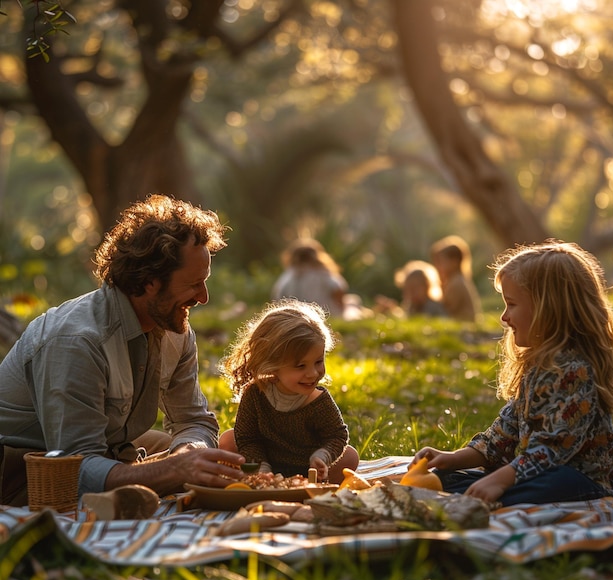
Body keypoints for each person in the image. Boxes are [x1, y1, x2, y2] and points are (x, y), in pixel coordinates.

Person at [0, 194, 245, 505]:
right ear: (150, 282)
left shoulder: (173, 328)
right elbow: (74, 468)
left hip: (108, 447)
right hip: (25, 472)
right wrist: (171, 470)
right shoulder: (78, 342)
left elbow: (194, 420)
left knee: (177, 450)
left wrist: (189, 452)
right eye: (193, 284)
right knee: (161, 468)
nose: (204, 297)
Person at [411, 240, 613, 507]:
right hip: (533, 471)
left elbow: (552, 450)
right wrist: (453, 458)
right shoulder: (536, 365)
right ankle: (465, 491)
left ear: (550, 309)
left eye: (511, 304)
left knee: (556, 480)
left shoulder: (575, 371)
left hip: (585, 483)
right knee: (451, 476)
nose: (504, 317)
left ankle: (487, 498)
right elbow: (503, 434)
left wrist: (501, 479)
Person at [218, 299, 359, 484]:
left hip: (308, 467)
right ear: (273, 365)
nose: (313, 373)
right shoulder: (255, 393)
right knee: (228, 440)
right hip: (265, 461)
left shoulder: (319, 401)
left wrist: (322, 457)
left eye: (318, 361)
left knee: (350, 456)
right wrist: (262, 467)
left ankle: (312, 484)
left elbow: (337, 435)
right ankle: (258, 480)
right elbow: (247, 438)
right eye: (301, 366)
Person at [271, 238, 348, 318]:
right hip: (327, 314)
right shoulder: (323, 273)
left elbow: (276, 298)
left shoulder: (288, 275)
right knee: (353, 301)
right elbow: (338, 290)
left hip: (294, 316)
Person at [430, 235, 482, 322]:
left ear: (455, 262)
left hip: (465, 325)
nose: (437, 266)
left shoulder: (456, 283)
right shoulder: (455, 280)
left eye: (440, 262)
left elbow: (446, 310)